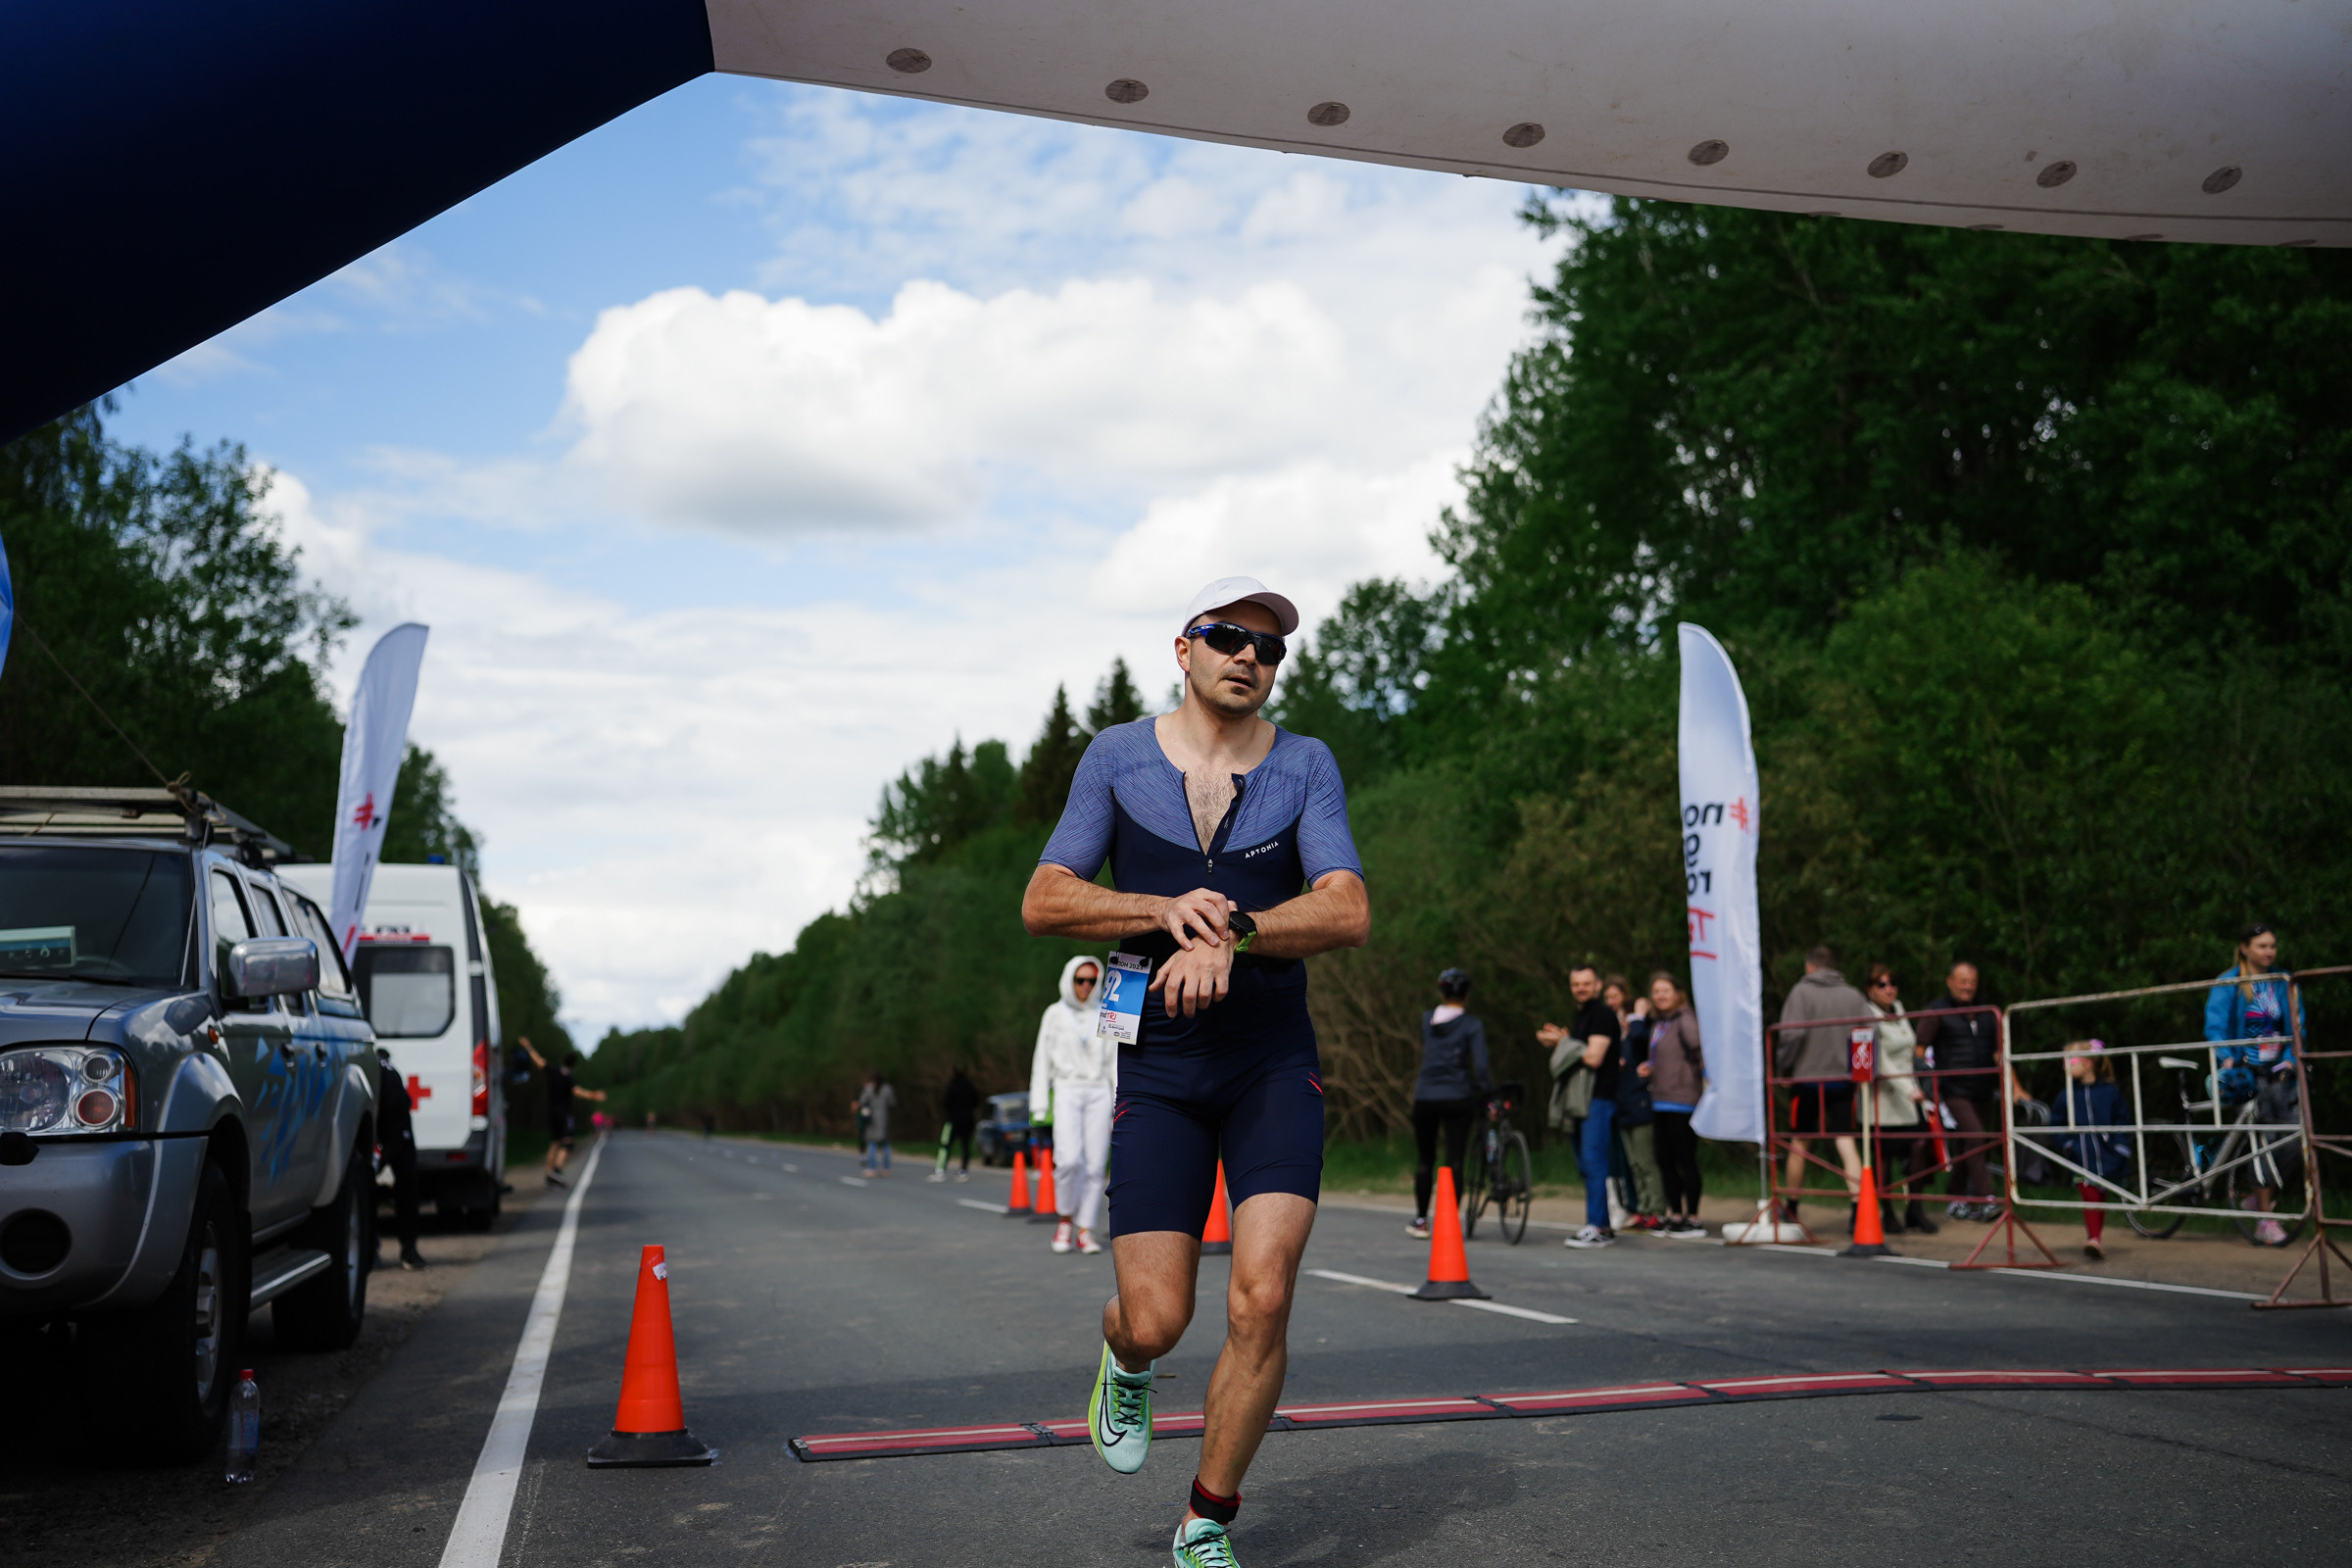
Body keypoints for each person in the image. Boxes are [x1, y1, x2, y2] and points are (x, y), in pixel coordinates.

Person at [1020, 575, 1369, 1568]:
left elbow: (1346, 907)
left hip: (1270, 1062)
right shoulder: (1117, 758)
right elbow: (1045, 901)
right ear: (1184, 649)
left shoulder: (1305, 765)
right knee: (1162, 1317)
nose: (1248, 657)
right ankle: (1122, 1351)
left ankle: (1207, 1517)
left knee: (1261, 1295)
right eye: (1228, 637)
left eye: (1268, 647)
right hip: (1161, 1071)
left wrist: (1243, 929)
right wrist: (1161, 909)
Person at [2206, 924, 2298, 1246]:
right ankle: (2264, 1217)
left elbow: (2296, 1026)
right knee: (2263, 1141)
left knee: (2292, 1142)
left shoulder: (2283, 981)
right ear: (2245, 948)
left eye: (2272, 945)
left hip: (2280, 1072)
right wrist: (2226, 1058)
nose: (2269, 951)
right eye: (2262, 946)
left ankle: (2258, 1201)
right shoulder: (2229, 982)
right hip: (2246, 1074)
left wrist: (2291, 1059)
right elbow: (2216, 1026)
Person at [1775, 947, 1870, 1231]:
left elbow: (1792, 1035)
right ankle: (1858, 1210)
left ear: (1810, 967)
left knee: (1800, 1143)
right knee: (1846, 1142)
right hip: (1843, 1079)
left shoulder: (1800, 993)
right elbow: (1867, 1033)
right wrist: (1860, 1071)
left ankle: (1792, 1208)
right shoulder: (1853, 995)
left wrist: (1784, 1068)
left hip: (1807, 1080)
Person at [1033, 956, 1116, 1253]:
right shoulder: (1054, 1014)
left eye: (1092, 981)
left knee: (1095, 1165)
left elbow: (1115, 1062)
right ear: (1069, 980)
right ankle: (1065, 1218)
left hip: (1098, 1092)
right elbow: (1041, 1060)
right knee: (1068, 1160)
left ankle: (1086, 1229)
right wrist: (1039, 1103)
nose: (1085, 986)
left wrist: (1120, 1101)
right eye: (1080, 980)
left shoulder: (1106, 1013)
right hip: (1067, 1089)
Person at [1540, 964, 1624, 1249]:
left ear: (1598, 985)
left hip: (1598, 1099)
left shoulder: (1602, 1015)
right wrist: (1562, 1041)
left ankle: (1597, 1226)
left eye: (1586, 983)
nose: (1581, 988)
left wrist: (1563, 1043)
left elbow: (1593, 1058)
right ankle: (1602, 1226)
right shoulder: (1582, 1016)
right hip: (1580, 1100)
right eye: (1576, 984)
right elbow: (1579, 1049)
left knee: (1593, 1161)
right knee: (1585, 1164)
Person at [1408, 968, 1493, 1241]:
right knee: (1455, 1159)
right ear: (1467, 994)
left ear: (1441, 992)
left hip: (1425, 1096)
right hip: (1457, 1096)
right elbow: (1480, 1066)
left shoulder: (1426, 1020)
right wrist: (1488, 1093)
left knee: (1425, 1160)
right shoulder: (1472, 1025)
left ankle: (1421, 1219)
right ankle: (1448, 1222)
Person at [1914, 961, 2000, 1220]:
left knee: (1966, 1145)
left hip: (1983, 1088)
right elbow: (1919, 1050)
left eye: (1972, 981)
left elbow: (1998, 1053)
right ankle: (1987, 1197)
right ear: (1950, 981)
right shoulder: (1937, 1011)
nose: (1967, 987)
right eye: (1963, 981)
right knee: (1975, 1137)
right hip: (1954, 1089)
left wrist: (2013, 1087)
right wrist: (1926, 1084)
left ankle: (1955, 1198)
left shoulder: (1987, 1012)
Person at [2040, 1040, 2131, 1260]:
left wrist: (2121, 1148)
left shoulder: (2110, 1092)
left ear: (2088, 1063)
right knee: (2088, 1192)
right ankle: (2094, 1238)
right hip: (2081, 1155)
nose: (2065, 1066)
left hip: (2108, 1155)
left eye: (2069, 1061)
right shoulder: (2066, 1095)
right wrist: (2067, 1145)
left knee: (2100, 1195)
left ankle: (2095, 1237)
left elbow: (2123, 1121)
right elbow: (2057, 1123)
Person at [1864, 965, 1936, 1235]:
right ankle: (1888, 1213)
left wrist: (1919, 1085)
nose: (1889, 989)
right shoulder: (1868, 1014)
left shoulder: (1900, 1009)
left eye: (1892, 982)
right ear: (1870, 990)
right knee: (1883, 1156)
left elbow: (1910, 1051)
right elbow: (1878, 1058)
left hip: (1909, 1096)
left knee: (1919, 1145)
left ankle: (1915, 1208)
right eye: (1881, 984)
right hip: (1883, 1097)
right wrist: (1909, 1089)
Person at [1642, 972, 1707, 1238]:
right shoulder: (1659, 1023)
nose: (1660, 996)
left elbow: (1701, 1053)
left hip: (1684, 1101)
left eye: (1665, 990)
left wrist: (1708, 1089)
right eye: (1656, 991)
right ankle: (1675, 1214)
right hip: (1659, 1101)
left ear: (1677, 993)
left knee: (1685, 1159)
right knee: (1664, 1160)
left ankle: (1693, 1217)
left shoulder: (1686, 1020)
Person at [1608, 973, 1664, 1232]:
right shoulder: (1620, 1039)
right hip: (1623, 1106)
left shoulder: (1640, 1033)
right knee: (1633, 1164)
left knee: (1646, 1161)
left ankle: (1657, 1209)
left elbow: (1642, 1040)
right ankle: (1642, 1207)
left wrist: (1637, 1017)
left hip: (1640, 1104)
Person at [521, 1037, 604, 1188]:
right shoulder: (569, 1078)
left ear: (562, 1060)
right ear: (574, 1065)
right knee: (568, 1144)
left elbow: (539, 1061)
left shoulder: (553, 1071)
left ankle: (549, 1174)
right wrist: (594, 1095)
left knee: (554, 1144)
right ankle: (557, 1171)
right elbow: (578, 1092)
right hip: (565, 1114)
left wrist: (529, 1047)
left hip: (552, 1113)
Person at [374, 1047, 425, 1269]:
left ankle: (408, 1250)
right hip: (386, 1133)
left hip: (397, 1134)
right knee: (404, 1190)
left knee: (406, 1188)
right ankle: (374, 1250)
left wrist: (381, 1160)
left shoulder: (387, 1076)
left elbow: (397, 1125)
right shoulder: (384, 1072)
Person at [933, 1065, 981, 1182]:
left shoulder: (952, 1086)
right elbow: (976, 1101)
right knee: (965, 1146)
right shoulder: (971, 1086)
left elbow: (946, 1102)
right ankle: (963, 1171)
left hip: (952, 1120)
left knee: (945, 1145)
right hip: (968, 1120)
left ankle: (941, 1170)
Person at [856, 1072, 897, 1176]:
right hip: (884, 1119)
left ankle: (872, 1168)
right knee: (885, 1144)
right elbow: (892, 1102)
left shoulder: (869, 1089)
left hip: (872, 1119)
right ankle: (886, 1169)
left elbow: (862, 1101)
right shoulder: (887, 1089)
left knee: (872, 1144)